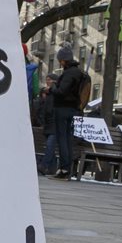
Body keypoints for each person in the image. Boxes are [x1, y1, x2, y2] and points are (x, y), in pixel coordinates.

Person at [51, 45, 83, 179]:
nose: (59, 62)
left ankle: (64, 168)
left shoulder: (69, 73)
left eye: (60, 60)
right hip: (73, 109)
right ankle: (67, 168)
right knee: (68, 139)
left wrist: (52, 88)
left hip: (63, 109)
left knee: (62, 139)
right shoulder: (78, 73)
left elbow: (61, 91)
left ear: (64, 60)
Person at [37, 73, 59, 175]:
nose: (47, 81)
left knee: (50, 145)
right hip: (48, 124)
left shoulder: (55, 92)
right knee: (50, 147)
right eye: (46, 79)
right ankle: (52, 169)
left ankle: (43, 165)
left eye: (49, 79)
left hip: (54, 124)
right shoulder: (47, 95)